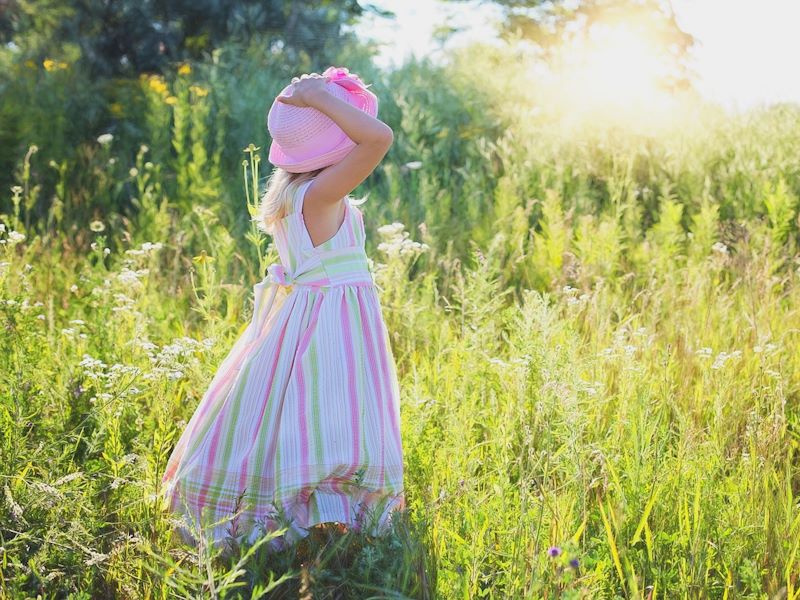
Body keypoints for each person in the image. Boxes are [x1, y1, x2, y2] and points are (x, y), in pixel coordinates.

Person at [160, 66, 405, 553]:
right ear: (335, 144)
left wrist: (316, 98)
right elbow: (379, 139)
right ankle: (322, 508)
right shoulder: (320, 195)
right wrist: (317, 94)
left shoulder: (294, 193)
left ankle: (307, 507)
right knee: (330, 413)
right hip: (332, 322)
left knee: (284, 411)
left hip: (305, 316)